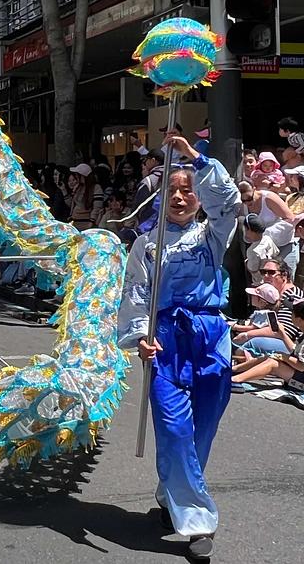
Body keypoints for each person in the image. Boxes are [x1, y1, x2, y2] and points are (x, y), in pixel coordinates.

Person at [117, 131, 240, 560]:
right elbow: (135, 293)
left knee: (201, 430)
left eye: (188, 190)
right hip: (166, 341)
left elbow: (229, 200)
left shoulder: (214, 234)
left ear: (199, 197)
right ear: (158, 198)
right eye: (172, 190)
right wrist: (140, 337)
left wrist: (196, 159)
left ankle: (173, 492)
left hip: (210, 340)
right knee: (173, 427)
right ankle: (198, 520)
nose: (181, 197)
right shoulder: (146, 245)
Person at [232, 300, 304, 390]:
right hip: (298, 373)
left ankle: (235, 380)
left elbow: (302, 367)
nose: (290, 315)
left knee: (273, 364)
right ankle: (234, 370)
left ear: (299, 320)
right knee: (272, 355)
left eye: (292, 312)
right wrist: (282, 334)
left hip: (301, 381)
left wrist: (284, 357)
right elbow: (295, 350)